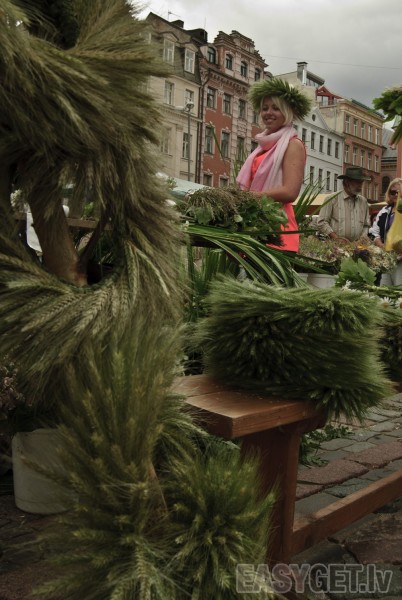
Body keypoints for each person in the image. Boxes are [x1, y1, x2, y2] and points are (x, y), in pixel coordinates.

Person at [236, 78, 312, 252]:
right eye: (265, 108)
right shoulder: (264, 147)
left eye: (276, 108)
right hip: (255, 228)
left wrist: (249, 197)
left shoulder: (293, 145)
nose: (268, 113)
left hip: (278, 232)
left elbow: (290, 192)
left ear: (287, 112)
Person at [316, 167, 371, 242]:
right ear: (347, 182)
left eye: (362, 182)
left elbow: (366, 225)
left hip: (357, 246)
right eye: (357, 182)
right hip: (335, 245)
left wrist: (363, 236)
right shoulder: (332, 199)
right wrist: (335, 237)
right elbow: (322, 222)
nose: (360, 185)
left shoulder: (363, 201)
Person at [369, 177, 402, 285]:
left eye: (399, 192)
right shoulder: (384, 211)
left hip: (401, 261)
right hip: (387, 259)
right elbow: (374, 232)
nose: (396, 195)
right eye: (393, 192)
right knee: (385, 288)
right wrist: (380, 245)